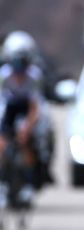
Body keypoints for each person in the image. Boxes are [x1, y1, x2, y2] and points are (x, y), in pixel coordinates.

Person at [0, 53, 42, 207]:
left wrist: (27, 128)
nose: (18, 77)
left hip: (26, 108)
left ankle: (29, 184)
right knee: (2, 144)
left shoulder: (34, 78)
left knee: (26, 143)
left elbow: (35, 107)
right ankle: (2, 183)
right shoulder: (4, 76)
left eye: (21, 74)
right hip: (9, 109)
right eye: (15, 74)